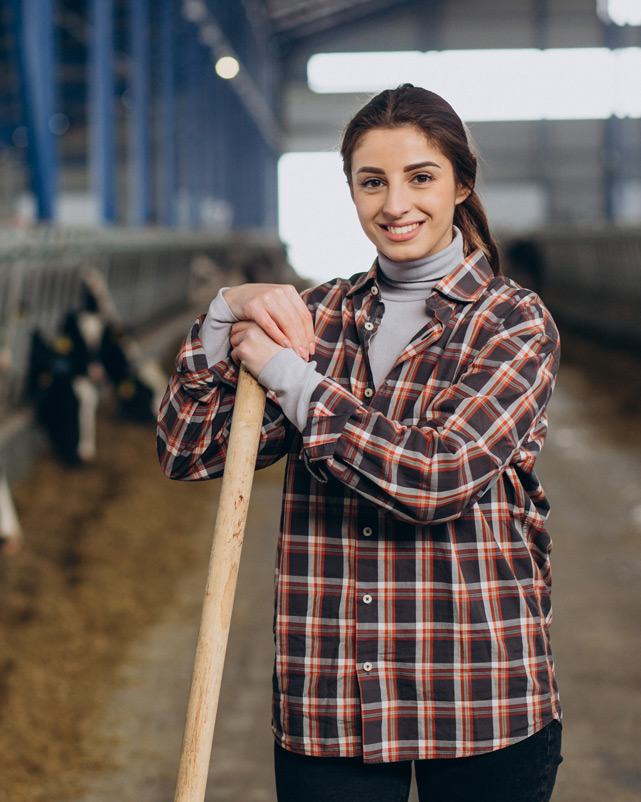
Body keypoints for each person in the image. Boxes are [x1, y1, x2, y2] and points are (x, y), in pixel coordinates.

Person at [157, 84, 562, 802]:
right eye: (371, 181)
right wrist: (223, 314)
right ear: (349, 189)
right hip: (332, 702)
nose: (394, 204)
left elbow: (437, 478)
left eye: (420, 177)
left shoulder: (512, 323)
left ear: (461, 183)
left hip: (476, 695)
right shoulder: (317, 317)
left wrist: (292, 379)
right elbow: (189, 449)